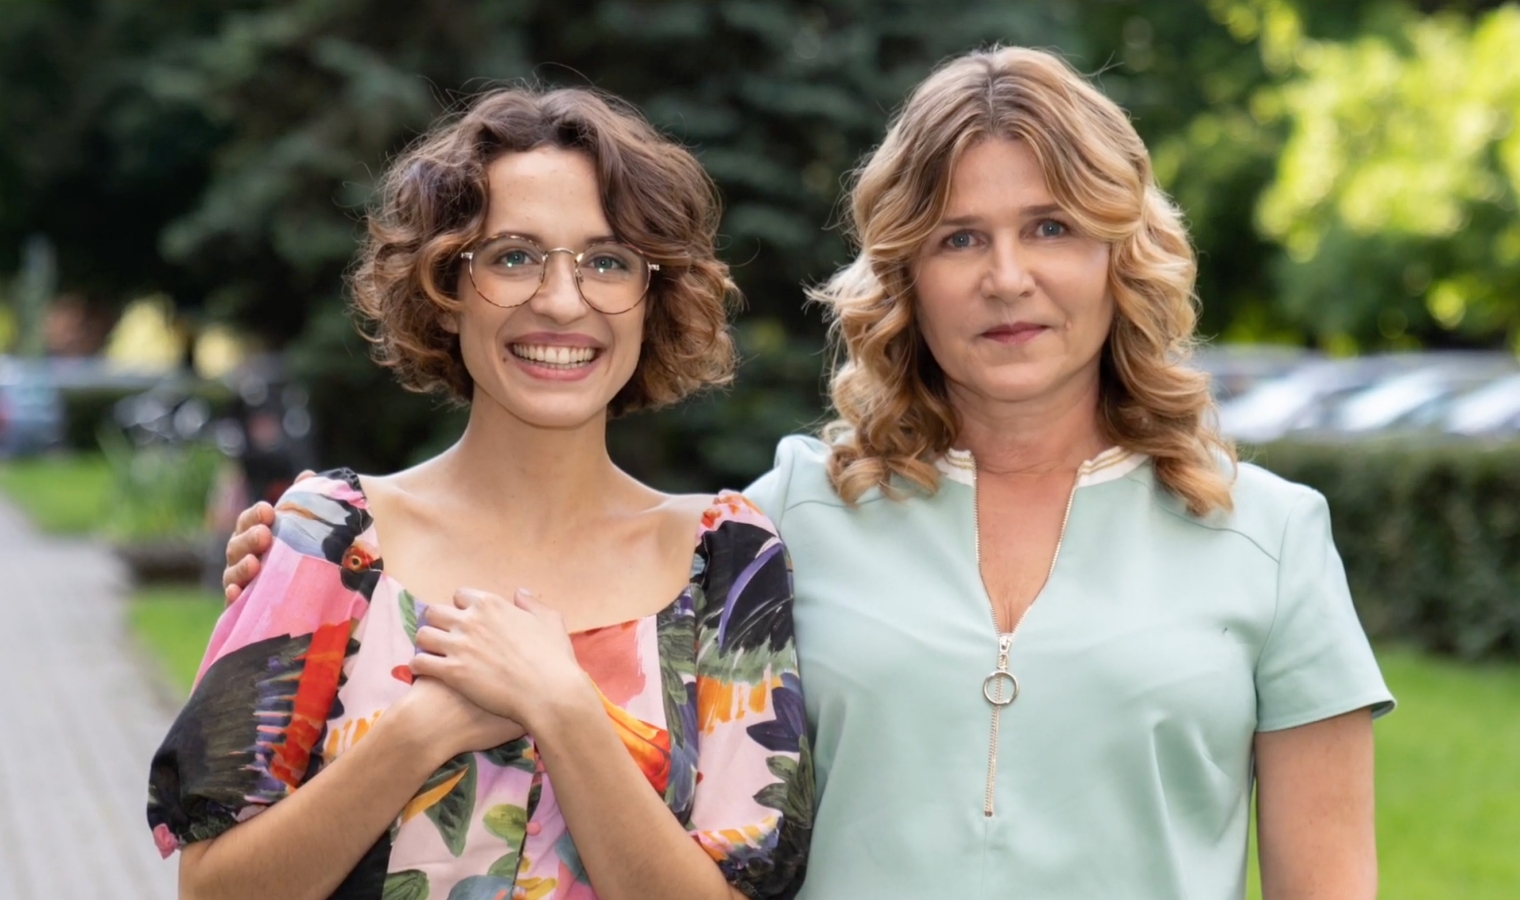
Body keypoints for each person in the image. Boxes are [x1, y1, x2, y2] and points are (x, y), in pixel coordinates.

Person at [223, 47, 1393, 900]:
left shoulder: (1270, 538)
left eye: (1050, 228)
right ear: (904, 276)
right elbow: (578, 554)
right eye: (957, 238)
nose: (1005, 278)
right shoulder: (785, 517)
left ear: (1120, 257)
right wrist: (320, 571)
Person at [151, 86, 811, 900]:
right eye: (513, 257)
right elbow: (212, 890)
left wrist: (561, 710)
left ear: (654, 297)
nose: (561, 301)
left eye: (607, 261)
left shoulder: (728, 561)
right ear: (446, 291)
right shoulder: (329, 539)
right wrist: (423, 731)